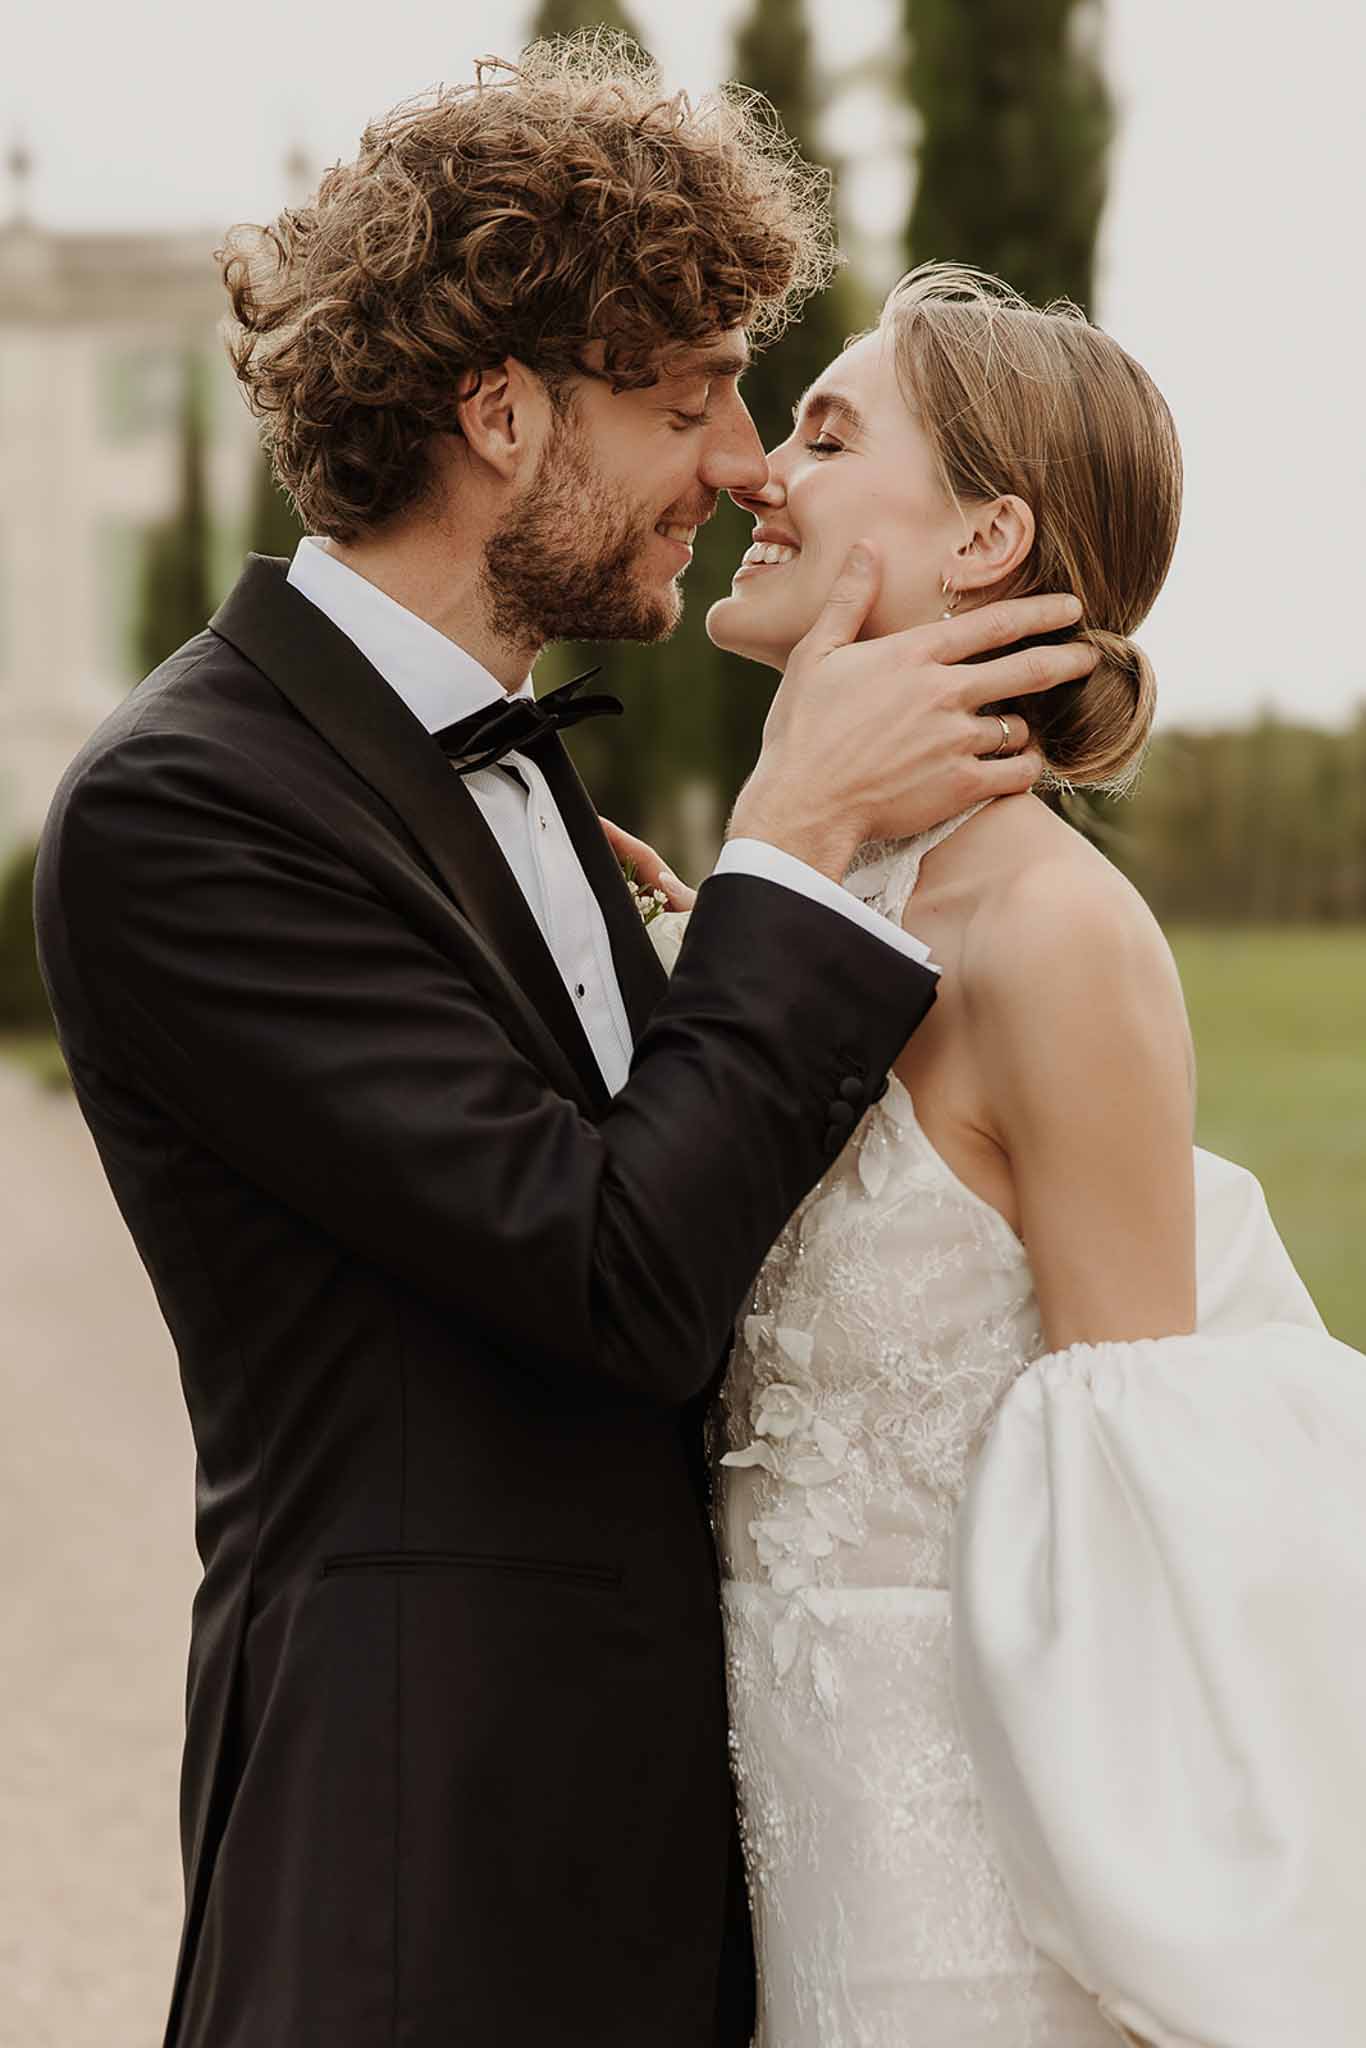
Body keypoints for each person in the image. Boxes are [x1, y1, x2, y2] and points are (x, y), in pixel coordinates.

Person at [30, 51, 1094, 2048]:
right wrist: (787, 854)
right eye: (684, 398)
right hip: (420, 1903)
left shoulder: (519, 803)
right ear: (499, 412)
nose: (741, 461)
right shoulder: (187, 806)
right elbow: (616, 1277)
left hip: (688, 1907)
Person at [692, 263, 1366, 2046]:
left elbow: (1151, 1527)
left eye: (828, 433)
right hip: (766, 1851)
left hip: (966, 1913)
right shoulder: (792, 911)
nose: (762, 470)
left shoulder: (1054, 935)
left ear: (985, 537)